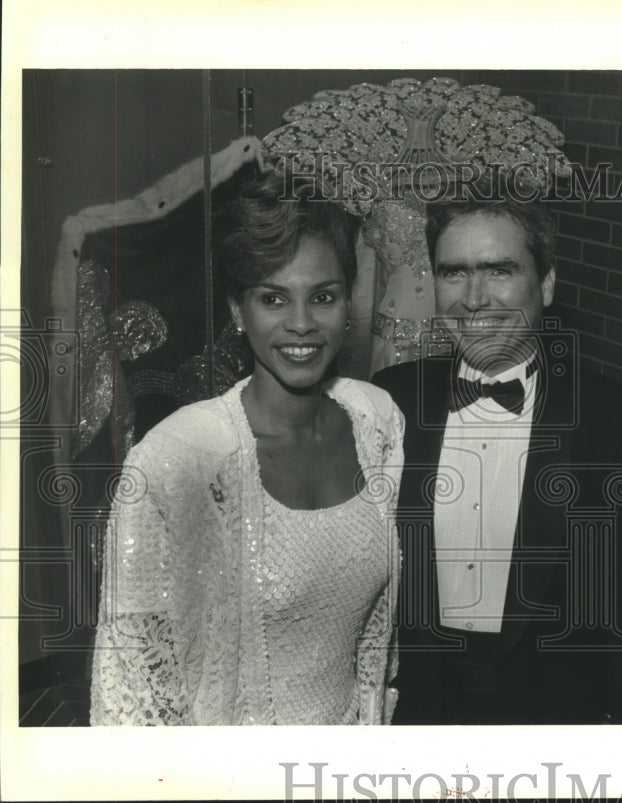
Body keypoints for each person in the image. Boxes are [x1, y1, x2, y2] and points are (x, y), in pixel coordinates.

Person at [90, 175, 404, 725]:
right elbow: (132, 691)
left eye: (323, 296)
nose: (302, 323)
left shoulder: (377, 421)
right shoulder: (179, 459)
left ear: (348, 302)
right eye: (273, 298)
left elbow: (377, 648)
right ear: (238, 310)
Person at [372, 199, 622, 724]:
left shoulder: (615, 421)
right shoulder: (389, 400)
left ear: (546, 285)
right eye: (454, 273)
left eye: (500, 271)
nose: (475, 299)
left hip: (551, 712)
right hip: (415, 704)